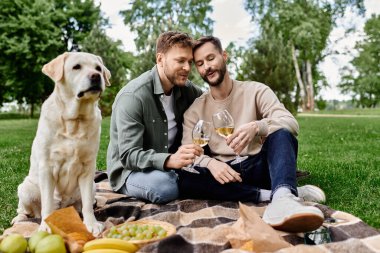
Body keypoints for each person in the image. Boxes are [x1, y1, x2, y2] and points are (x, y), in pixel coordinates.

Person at [178, 35, 326, 233]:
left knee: (282, 134)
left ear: (224, 56)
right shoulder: (195, 110)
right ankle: (278, 194)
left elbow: (291, 123)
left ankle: (282, 200)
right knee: (184, 179)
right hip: (225, 175)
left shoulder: (256, 90)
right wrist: (211, 163)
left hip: (258, 166)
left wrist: (258, 126)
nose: (207, 67)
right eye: (200, 63)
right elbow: (187, 153)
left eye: (211, 58)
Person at [107, 31, 203, 204]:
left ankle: (184, 179)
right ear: (160, 59)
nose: (188, 68)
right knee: (164, 187)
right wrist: (169, 160)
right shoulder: (133, 96)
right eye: (180, 61)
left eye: (189, 62)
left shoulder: (187, 89)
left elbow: (213, 104)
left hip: (171, 165)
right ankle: (185, 180)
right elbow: (129, 155)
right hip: (129, 170)